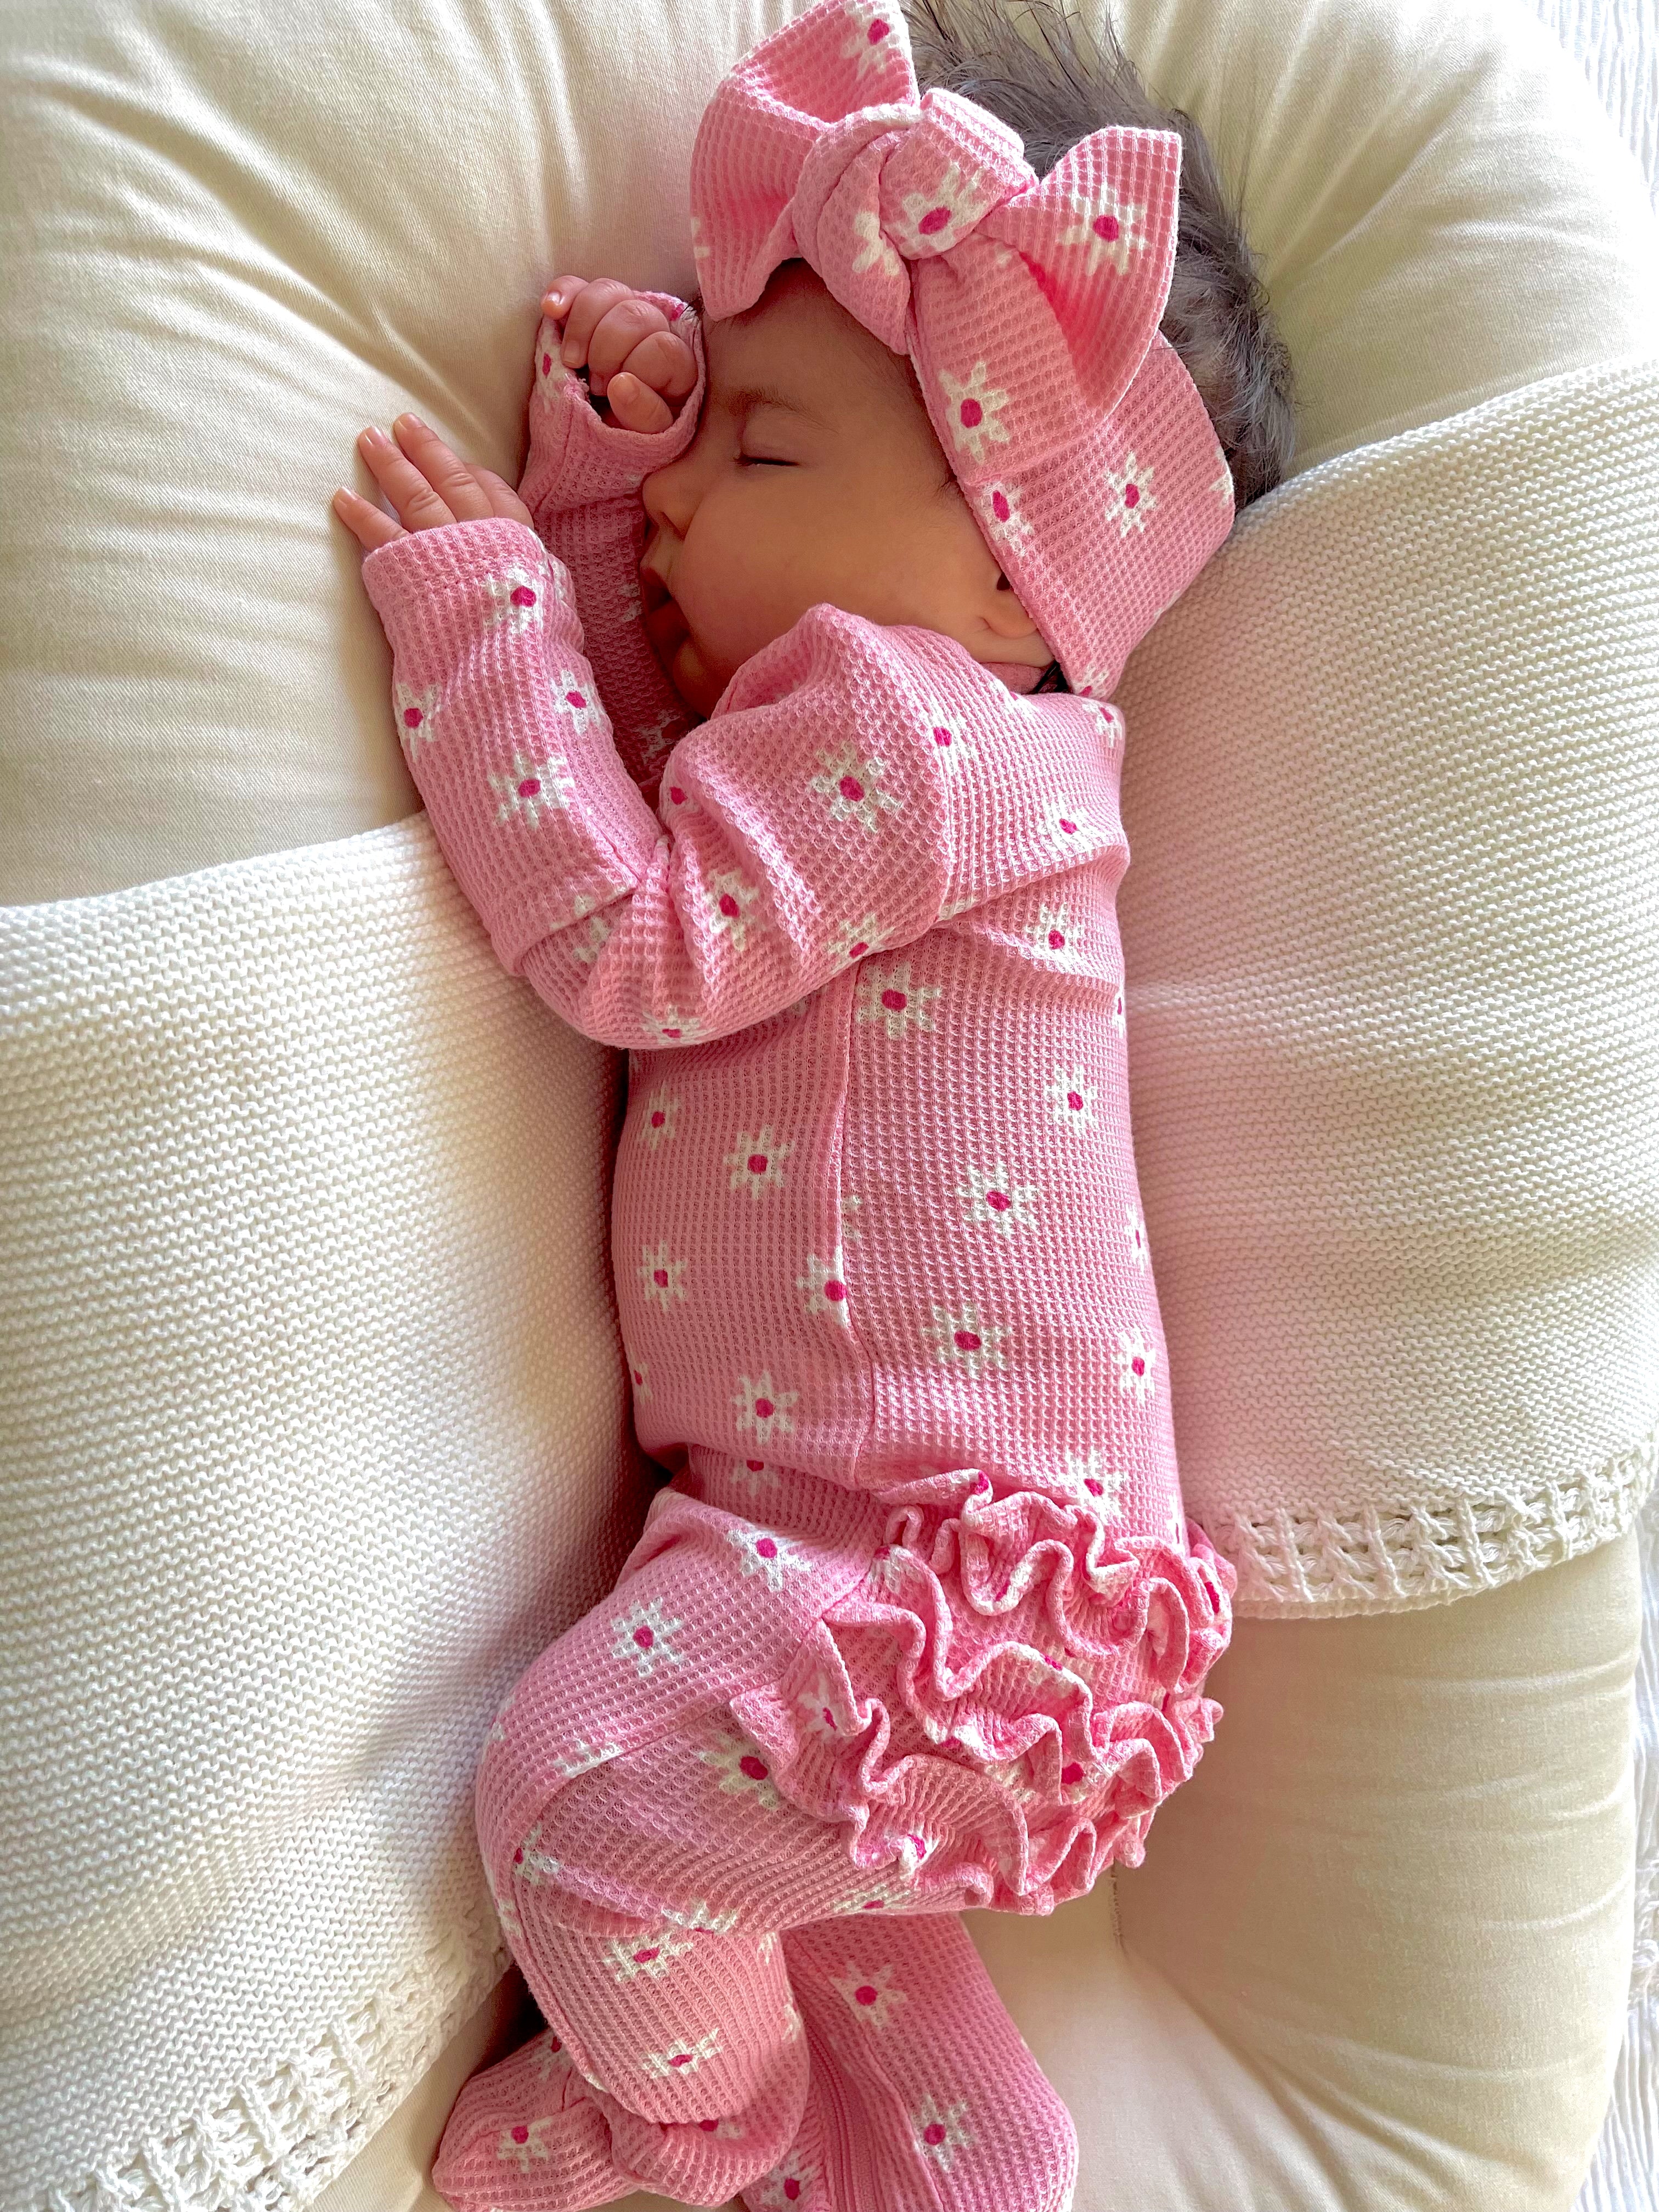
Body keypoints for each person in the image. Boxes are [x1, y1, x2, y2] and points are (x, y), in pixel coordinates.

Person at [330, 3, 1295, 2204]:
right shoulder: (901, 733)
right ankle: (970, 2166)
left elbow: (628, 929)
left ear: (1002, 587)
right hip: (896, 1563)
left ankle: (687, 2119)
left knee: (579, 1802)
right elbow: (668, 771)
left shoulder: (918, 722)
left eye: (758, 450)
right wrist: (611, 469)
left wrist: (483, 610)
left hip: (905, 1569)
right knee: (826, 1915)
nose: (684, 494)